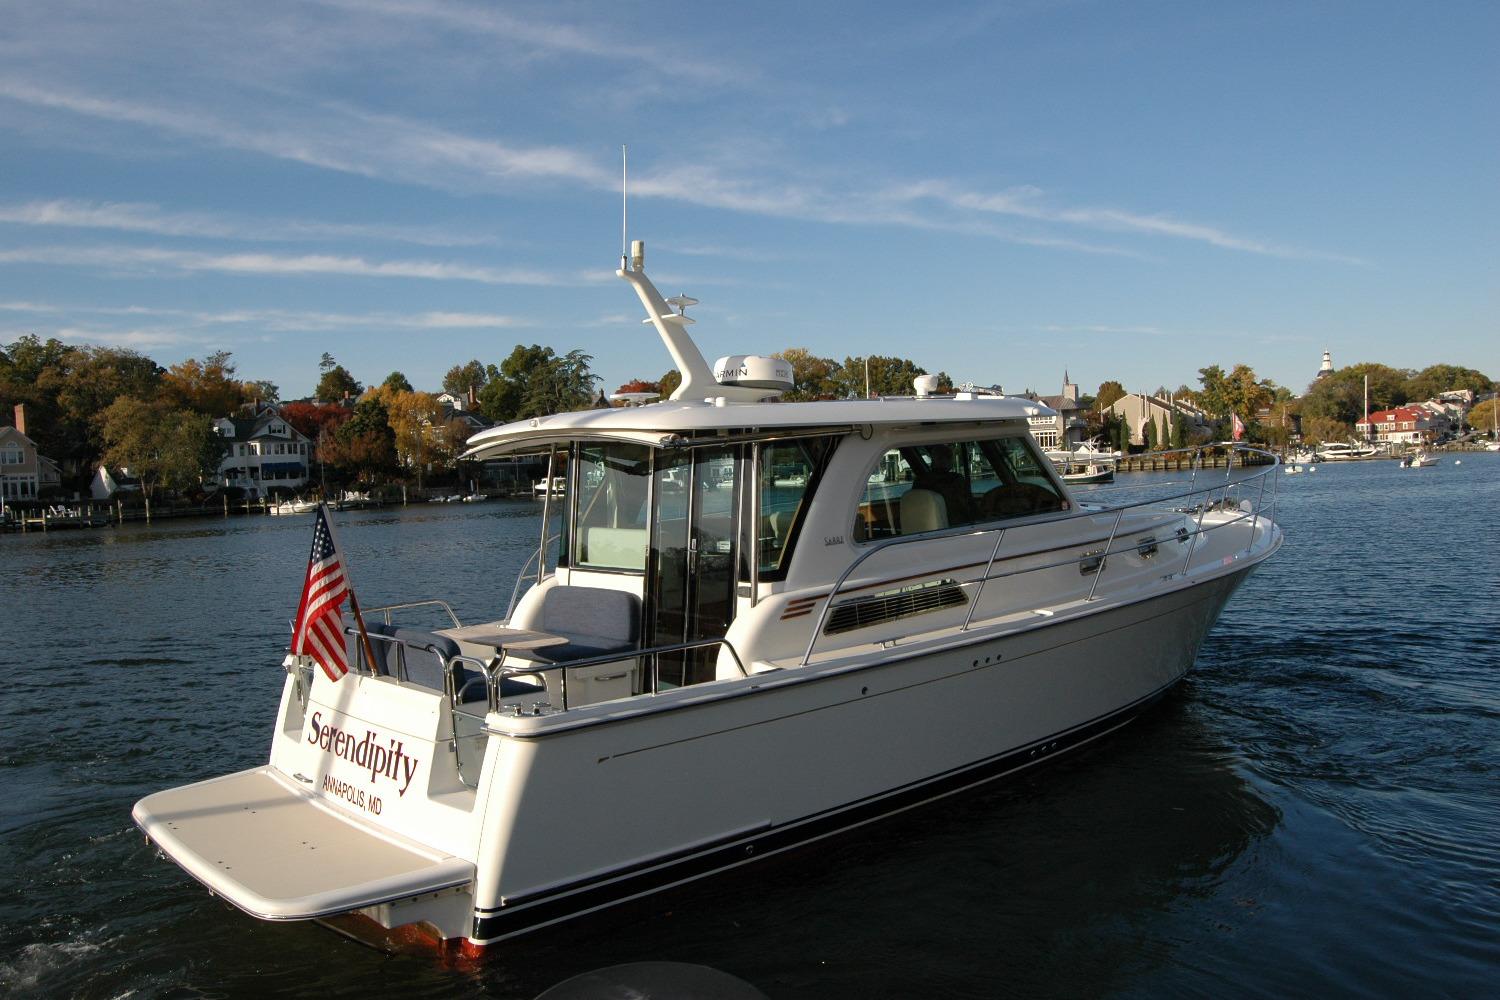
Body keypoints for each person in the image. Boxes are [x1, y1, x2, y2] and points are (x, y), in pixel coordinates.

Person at [914, 446, 974, 525]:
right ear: (947, 460)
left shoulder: (919, 481)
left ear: (933, 460)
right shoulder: (955, 480)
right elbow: (966, 507)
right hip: (954, 527)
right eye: (950, 458)